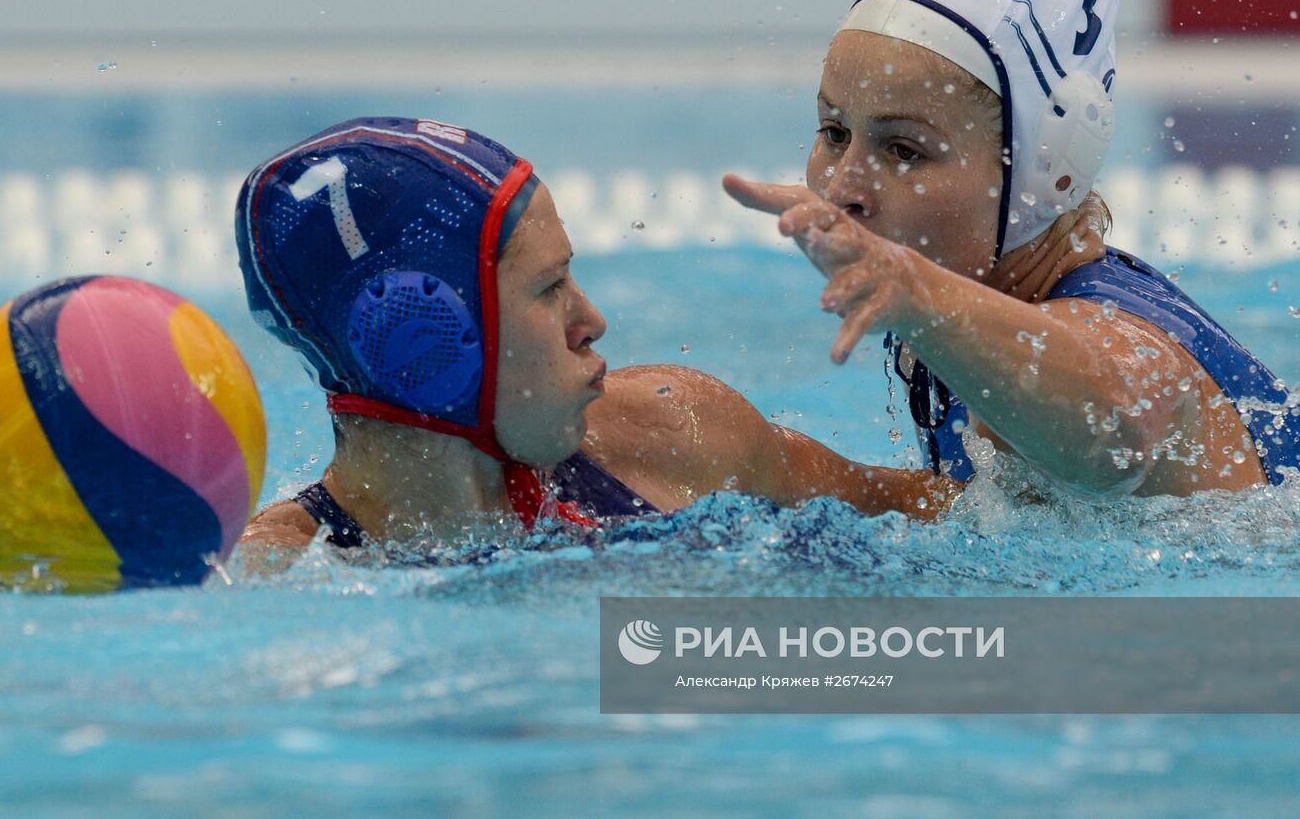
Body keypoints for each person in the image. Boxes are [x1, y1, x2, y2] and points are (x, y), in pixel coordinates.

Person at [722, 0, 1298, 508]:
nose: (843, 188)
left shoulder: (1127, 339)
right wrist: (761, 465)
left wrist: (917, 294)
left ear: (1047, 165)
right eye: (835, 132)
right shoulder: (975, 303)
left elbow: (1113, 435)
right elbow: (966, 509)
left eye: (903, 149)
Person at [235, 117, 953, 554]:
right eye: (549, 290)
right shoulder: (291, 576)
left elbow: (963, 519)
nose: (591, 322)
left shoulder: (682, 435)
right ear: (422, 342)